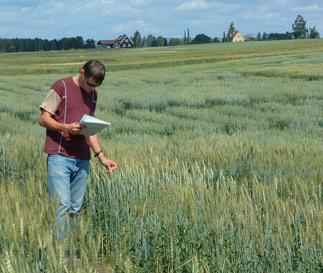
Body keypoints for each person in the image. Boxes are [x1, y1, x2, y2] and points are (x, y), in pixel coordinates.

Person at [38, 60, 117, 246]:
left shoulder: (93, 94)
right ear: (81, 72)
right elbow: (43, 119)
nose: (91, 89)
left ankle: (70, 251)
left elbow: (91, 129)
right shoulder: (61, 87)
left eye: (96, 86)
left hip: (82, 159)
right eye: (90, 84)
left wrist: (102, 157)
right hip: (59, 155)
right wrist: (65, 127)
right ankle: (58, 254)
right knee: (61, 205)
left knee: (75, 208)